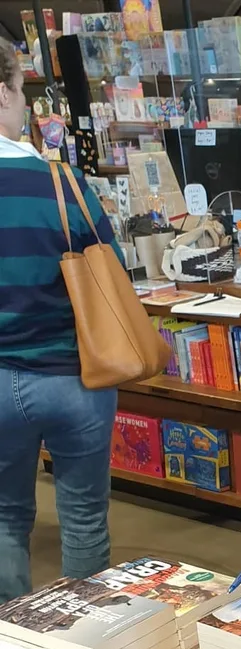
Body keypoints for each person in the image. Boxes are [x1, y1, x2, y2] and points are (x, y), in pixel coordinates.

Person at [0, 39, 123, 604]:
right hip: (77, 377)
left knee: (4, 518)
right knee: (83, 519)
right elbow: (113, 278)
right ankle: (90, 646)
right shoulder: (63, 184)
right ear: (5, 92)